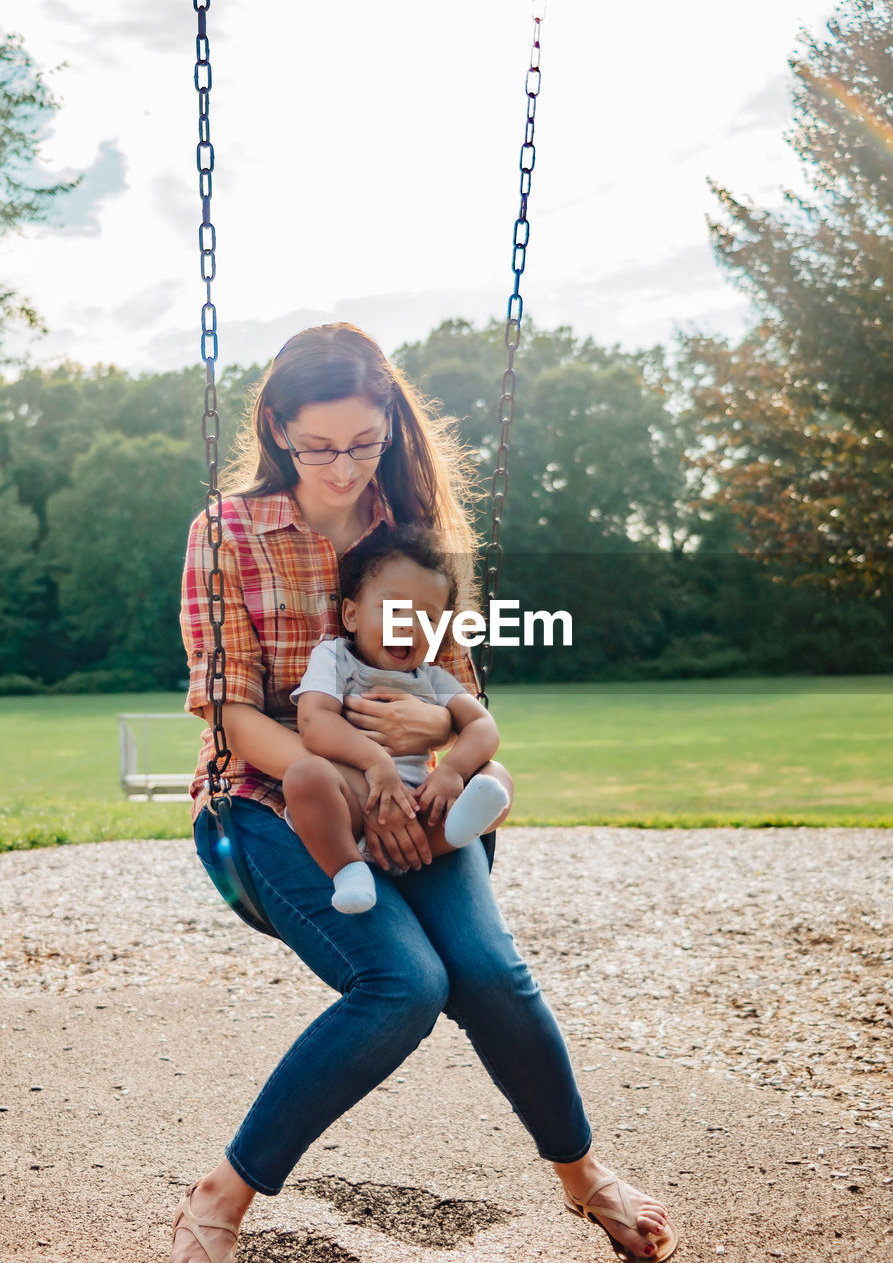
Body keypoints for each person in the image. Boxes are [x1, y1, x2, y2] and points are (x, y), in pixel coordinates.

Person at [173, 322, 679, 1263]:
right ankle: (222, 1194)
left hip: (423, 791)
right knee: (404, 984)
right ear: (278, 429)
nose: (343, 465)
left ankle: (583, 1176)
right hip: (281, 798)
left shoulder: (412, 538)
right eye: (319, 445)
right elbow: (232, 717)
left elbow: (461, 696)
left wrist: (435, 754)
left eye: (364, 443)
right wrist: (364, 784)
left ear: (390, 429)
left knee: (491, 973)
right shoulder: (228, 532)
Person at [285, 521, 512, 913]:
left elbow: (482, 725)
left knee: (497, 776)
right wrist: (375, 764)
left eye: (427, 616)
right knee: (305, 777)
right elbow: (314, 722)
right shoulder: (335, 659)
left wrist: (452, 772)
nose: (407, 624)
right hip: (351, 810)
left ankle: (455, 833)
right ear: (352, 616)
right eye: (393, 609)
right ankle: (348, 871)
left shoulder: (432, 678)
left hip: (422, 810)